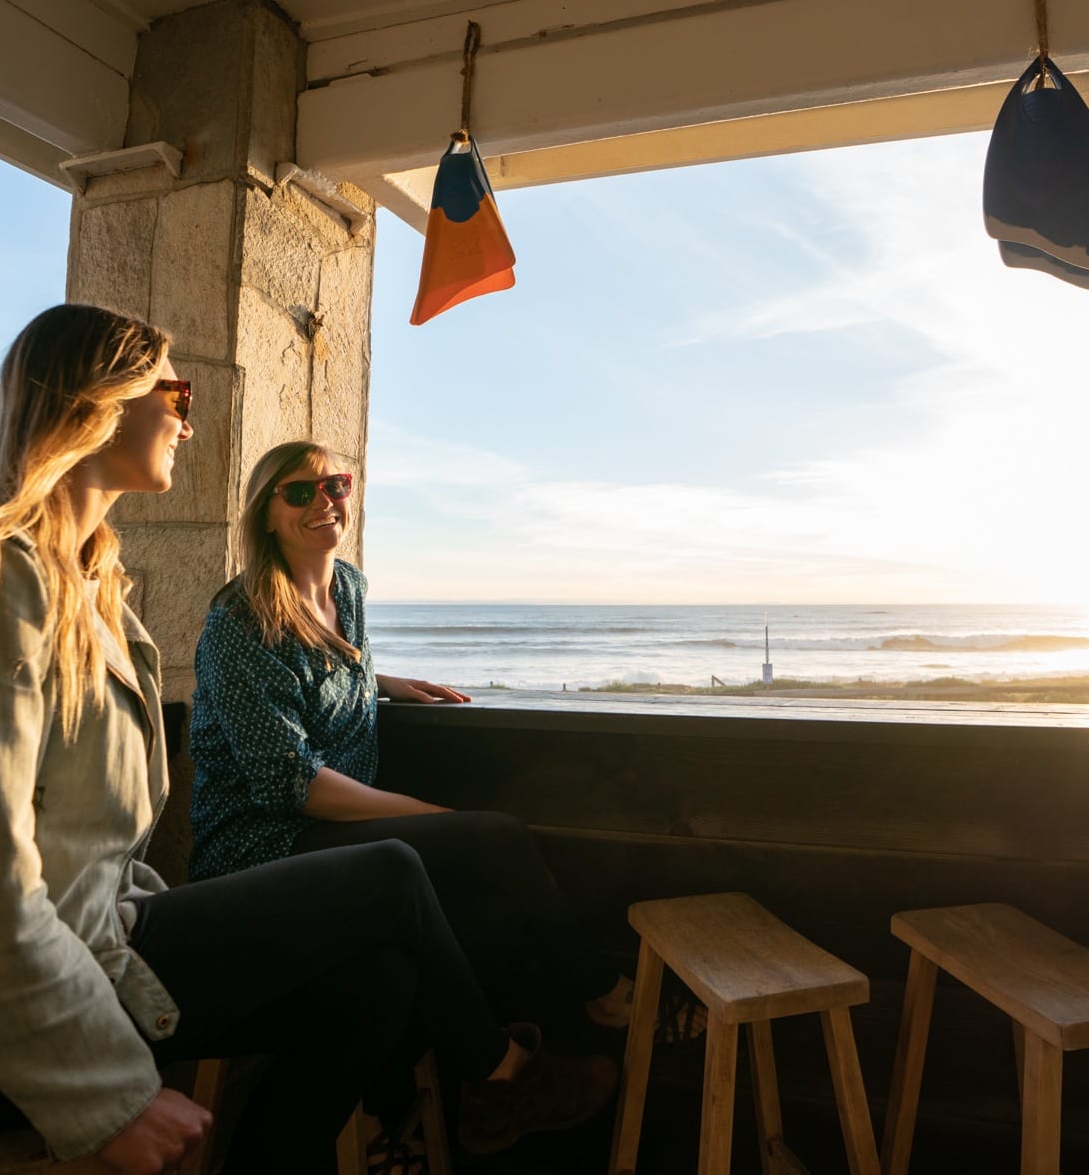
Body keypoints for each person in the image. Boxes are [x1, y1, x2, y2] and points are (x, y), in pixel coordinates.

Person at [0, 305, 615, 1175]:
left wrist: (378, 681)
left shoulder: (86, 584)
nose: (190, 420)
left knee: (381, 976)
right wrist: (107, 1099)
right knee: (394, 874)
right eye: (175, 391)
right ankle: (506, 1073)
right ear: (100, 401)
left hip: (106, 943)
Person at [187, 440, 703, 1041]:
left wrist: (376, 680)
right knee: (491, 835)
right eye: (300, 492)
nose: (324, 502)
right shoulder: (241, 620)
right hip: (260, 847)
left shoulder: (347, 589)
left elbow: (303, 674)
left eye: (336, 485)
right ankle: (601, 996)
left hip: (330, 834)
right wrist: (428, 815)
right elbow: (291, 784)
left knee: (482, 914)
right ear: (266, 516)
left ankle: (486, 1076)